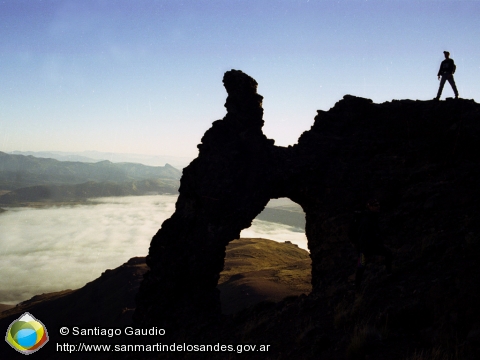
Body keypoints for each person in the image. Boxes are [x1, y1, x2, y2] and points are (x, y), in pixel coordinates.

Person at [354, 199, 393, 290]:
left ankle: (357, 286)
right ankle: (389, 273)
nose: (378, 207)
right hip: (366, 248)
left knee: (361, 266)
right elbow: (365, 236)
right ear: (370, 207)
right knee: (361, 266)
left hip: (365, 248)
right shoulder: (367, 220)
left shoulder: (370, 217)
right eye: (375, 205)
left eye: (378, 205)